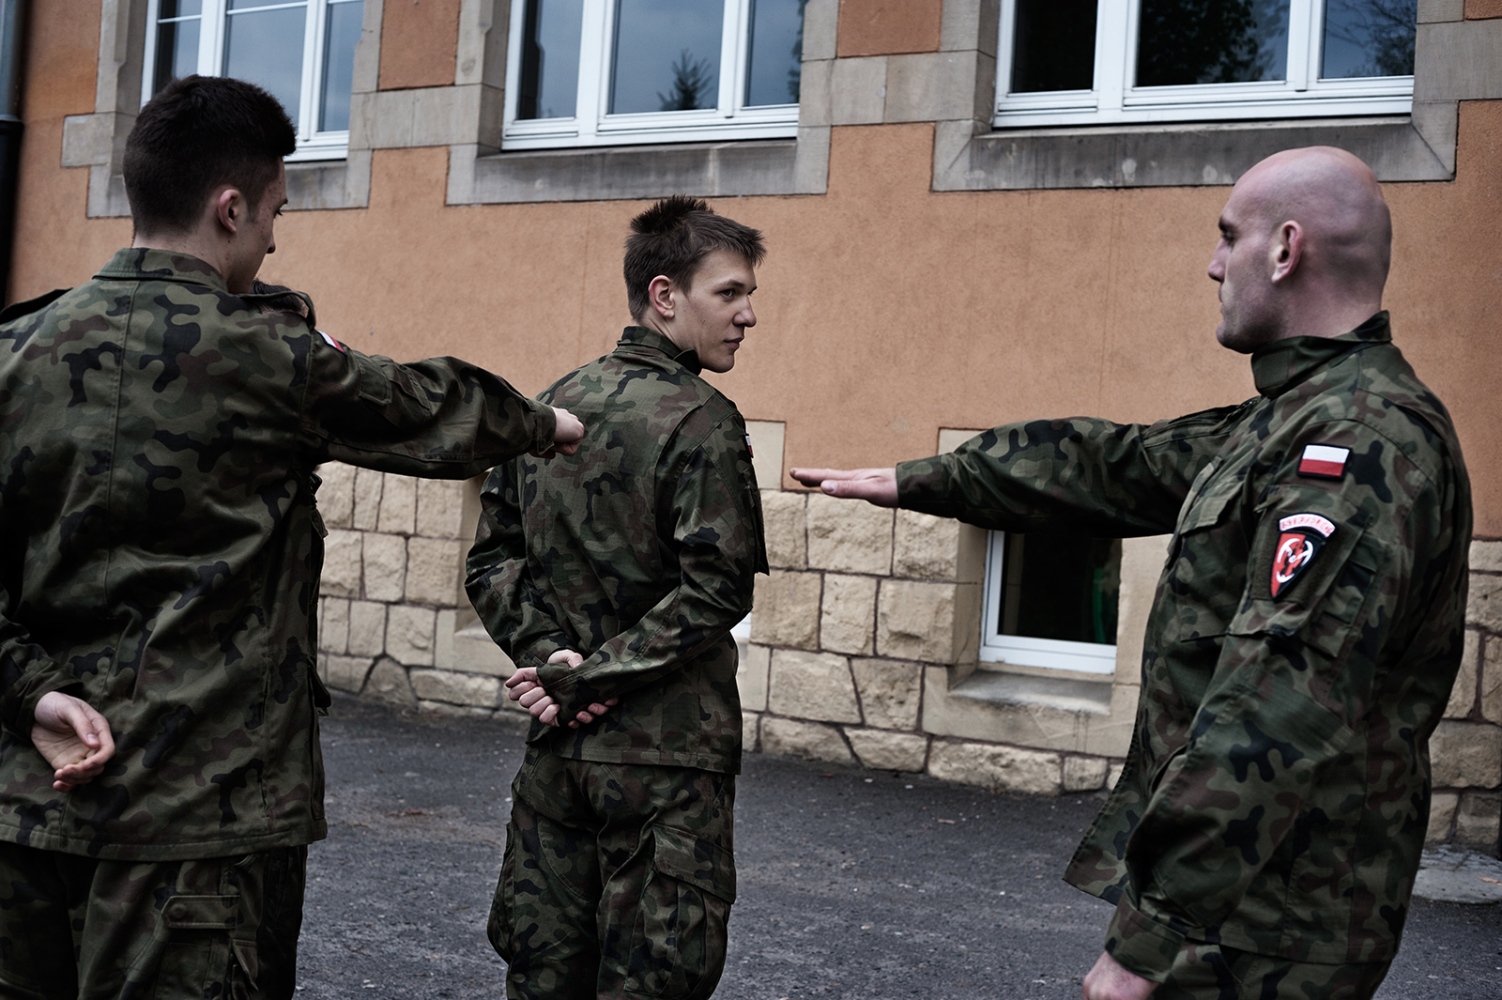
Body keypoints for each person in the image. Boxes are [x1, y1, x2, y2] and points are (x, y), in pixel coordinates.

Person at [791, 147, 1471, 1000]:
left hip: (1267, 924)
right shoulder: (1298, 412)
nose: (1213, 264)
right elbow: (1119, 464)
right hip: (1242, 909)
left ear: (1286, 250)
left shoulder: (1357, 442)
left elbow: (1277, 705)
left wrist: (1153, 940)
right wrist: (923, 480)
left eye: (1230, 237)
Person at [0, 75, 582, 1000]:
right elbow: (426, 406)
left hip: (24, 826)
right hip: (199, 838)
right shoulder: (267, 357)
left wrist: (30, 693)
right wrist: (548, 423)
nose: (276, 235)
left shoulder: (17, 349)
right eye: (274, 211)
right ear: (229, 208)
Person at [466, 195, 769, 1000]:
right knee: (650, 980)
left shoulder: (552, 402)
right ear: (665, 295)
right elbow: (717, 591)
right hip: (663, 762)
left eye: (749, 297)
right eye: (730, 293)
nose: (748, 316)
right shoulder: (705, 421)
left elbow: (493, 558)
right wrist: (586, 677)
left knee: (545, 974)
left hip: (559, 750)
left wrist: (551, 663)